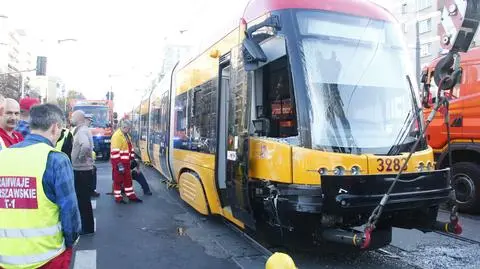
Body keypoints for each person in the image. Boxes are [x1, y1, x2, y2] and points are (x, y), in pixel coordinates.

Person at [0, 103, 81, 269]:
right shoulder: (56, 159)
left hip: (4, 258)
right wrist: (71, 241)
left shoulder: (4, 155)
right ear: (55, 127)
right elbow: (69, 210)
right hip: (46, 258)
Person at [71, 110, 95, 235]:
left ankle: (87, 228)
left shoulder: (81, 131)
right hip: (85, 170)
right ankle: (88, 227)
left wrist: (79, 158)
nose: (71, 119)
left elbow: (85, 146)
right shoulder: (84, 130)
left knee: (82, 200)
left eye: (73, 117)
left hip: (81, 170)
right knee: (84, 199)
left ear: (79, 118)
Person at [111, 119, 142, 204]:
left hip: (126, 163)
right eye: (129, 128)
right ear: (124, 127)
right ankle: (118, 198)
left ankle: (131, 196)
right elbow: (115, 152)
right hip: (119, 163)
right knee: (118, 181)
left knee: (128, 180)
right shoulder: (117, 136)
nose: (130, 130)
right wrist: (119, 165)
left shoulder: (126, 135)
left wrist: (131, 159)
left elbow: (130, 149)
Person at [85, 113, 100, 197]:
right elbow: (84, 147)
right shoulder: (84, 130)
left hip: (87, 159)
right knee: (90, 173)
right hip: (85, 160)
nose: (90, 123)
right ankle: (90, 191)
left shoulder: (86, 130)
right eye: (89, 121)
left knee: (92, 172)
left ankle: (90, 190)